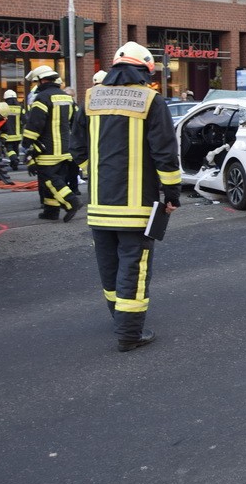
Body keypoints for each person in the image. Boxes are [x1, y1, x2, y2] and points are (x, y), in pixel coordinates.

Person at [70, 42, 181, 352]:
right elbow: (165, 152)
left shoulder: (92, 97)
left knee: (108, 264)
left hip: (99, 204)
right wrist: (171, 192)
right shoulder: (150, 100)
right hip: (136, 207)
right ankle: (130, 333)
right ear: (145, 71)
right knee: (133, 265)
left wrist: (93, 172)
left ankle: (118, 317)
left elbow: (76, 146)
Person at [22, 67, 82, 222]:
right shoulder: (67, 98)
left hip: (47, 150)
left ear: (42, 80)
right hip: (66, 149)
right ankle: (51, 211)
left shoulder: (42, 98)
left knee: (49, 180)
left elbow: (35, 124)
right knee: (58, 178)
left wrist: (27, 145)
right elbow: (75, 123)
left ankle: (71, 201)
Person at [0, 89, 23, 170]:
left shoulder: (4, 108)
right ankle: (15, 164)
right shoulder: (20, 108)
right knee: (16, 149)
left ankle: (14, 159)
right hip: (18, 135)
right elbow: (25, 120)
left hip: (7, 135)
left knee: (9, 149)